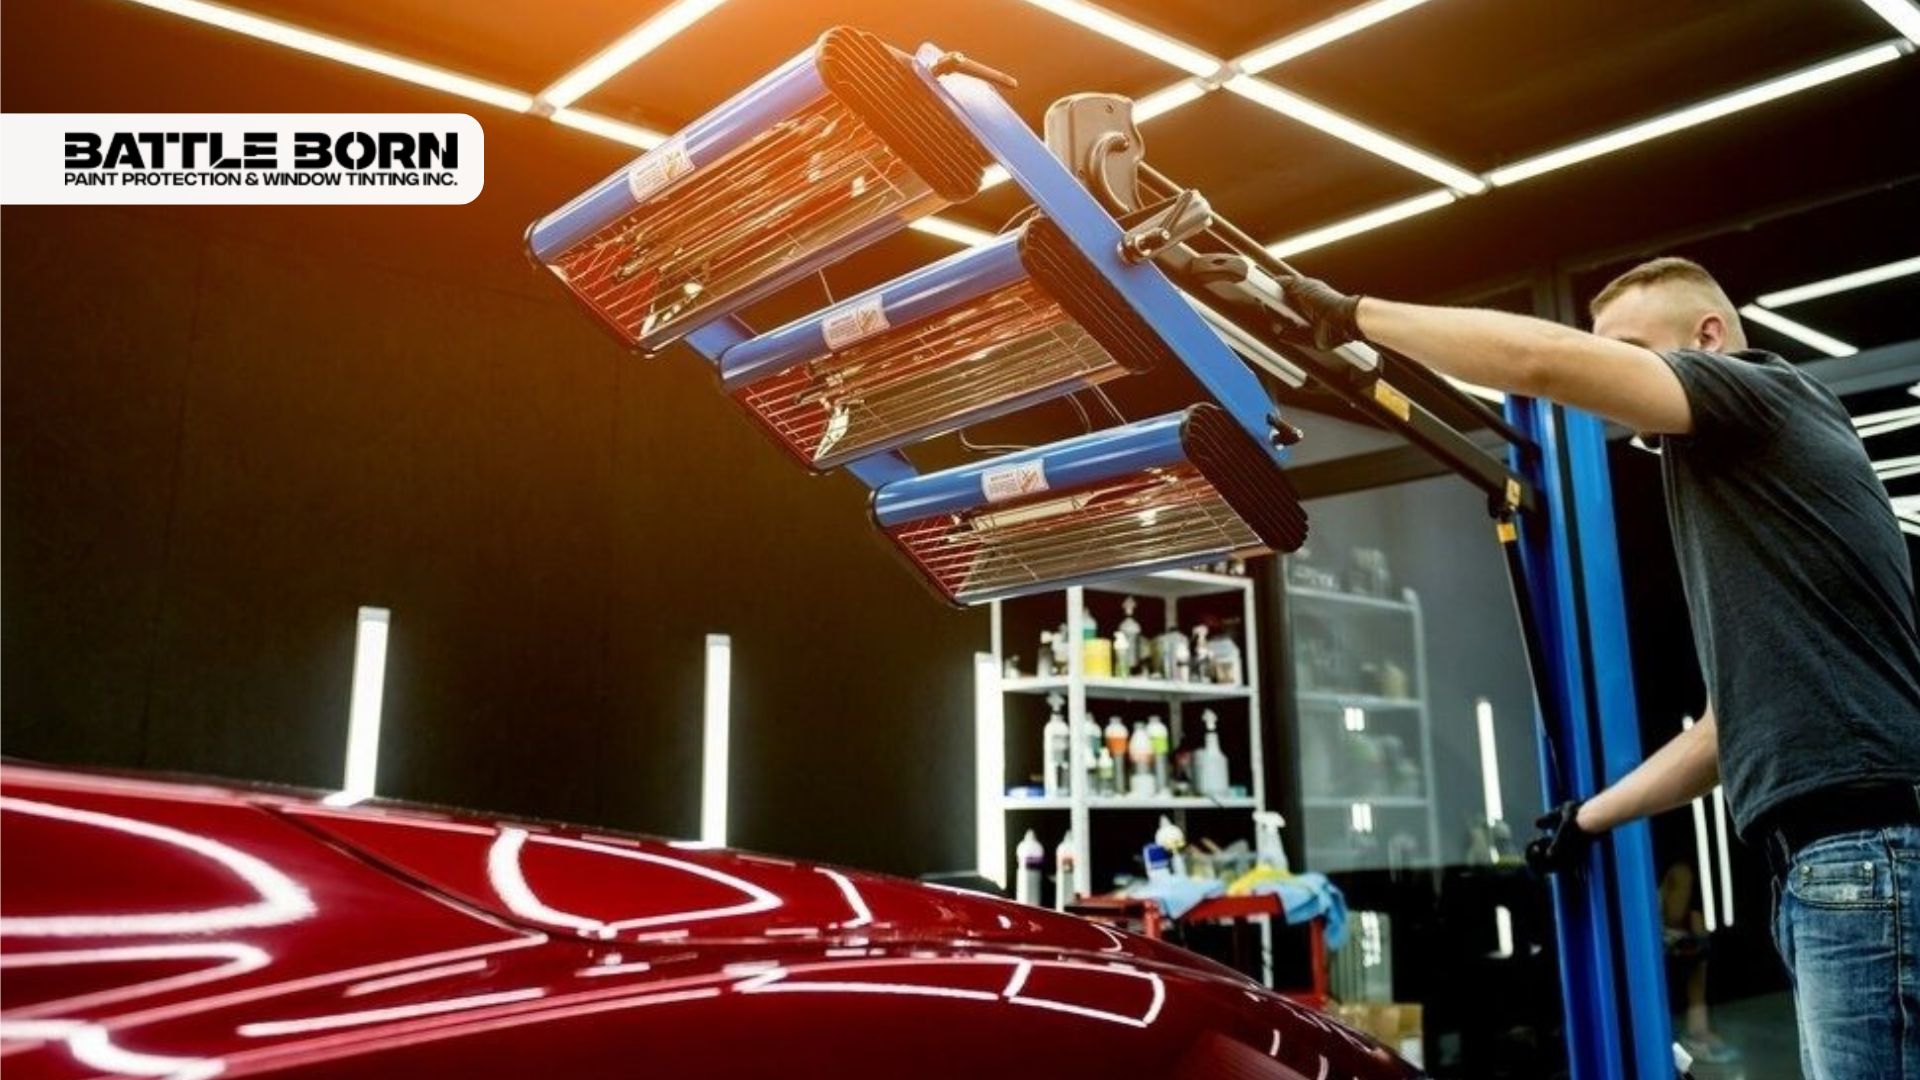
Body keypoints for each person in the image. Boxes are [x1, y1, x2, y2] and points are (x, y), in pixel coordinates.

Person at [1273, 258, 1920, 1078]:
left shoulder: (1763, 393)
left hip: (1863, 856)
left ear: (1707, 339)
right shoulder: (1755, 489)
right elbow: (1730, 732)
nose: (1609, 378)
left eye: (1630, 353)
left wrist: (1353, 313)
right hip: (1838, 862)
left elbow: (1540, 363)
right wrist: (1590, 817)